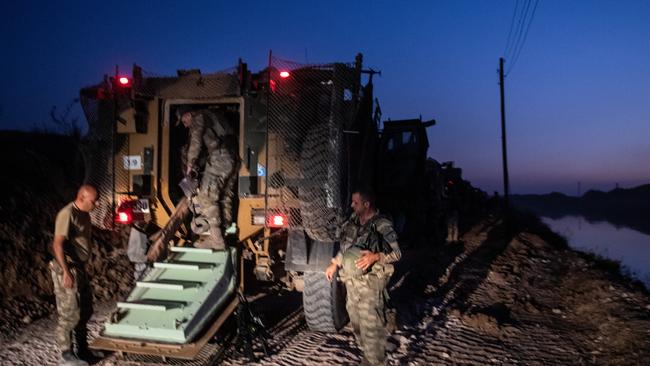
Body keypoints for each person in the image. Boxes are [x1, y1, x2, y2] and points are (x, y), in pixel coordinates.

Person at [325, 188, 401, 366]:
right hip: (352, 283)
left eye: (355, 202)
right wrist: (335, 263)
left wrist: (375, 257)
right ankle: (369, 351)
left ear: (367, 204)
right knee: (356, 322)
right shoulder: (353, 221)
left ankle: (375, 360)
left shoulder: (382, 224)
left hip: (371, 284)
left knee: (371, 326)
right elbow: (347, 249)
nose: (352, 205)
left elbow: (397, 253)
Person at [50, 185, 98, 366]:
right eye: (93, 201)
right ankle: (66, 354)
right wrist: (66, 272)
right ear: (82, 198)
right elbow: (57, 244)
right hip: (67, 268)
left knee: (85, 309)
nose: (96, 205)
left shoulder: (84, 213)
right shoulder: (67, 214)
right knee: (69, 312)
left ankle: (82, 349)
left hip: (79, 268)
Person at [178, 107, 239, 249]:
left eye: (184, 120)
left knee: (206, 196)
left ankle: (216, 240)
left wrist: (190, 165)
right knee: (224, 197)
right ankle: (222, 233)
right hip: (233, 157)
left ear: (188, 114)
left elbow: (196, 141)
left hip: (220, 157)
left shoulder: (198, 117)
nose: (185, 125)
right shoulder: (213, 115)